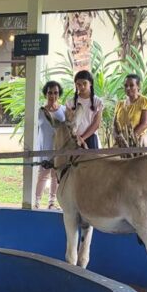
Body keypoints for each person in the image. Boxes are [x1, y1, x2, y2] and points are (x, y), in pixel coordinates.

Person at [35, 81, 65, 210]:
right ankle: (36, 201)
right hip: (44, 148)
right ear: (45, 94)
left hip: (58, 149)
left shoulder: (63, 110)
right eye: (50, 93)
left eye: (56, 93)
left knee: (55, 176)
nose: (53, 96)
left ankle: (52, 202)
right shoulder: (40, 111)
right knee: (42, 175)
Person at [64, 69, 103, 149]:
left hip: (91, 138)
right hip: (73, 139)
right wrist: (76, 138)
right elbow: (68, 123)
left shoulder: (97, 102)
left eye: (84, 83)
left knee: (92, 160)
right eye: (78, 84)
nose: (82, 86)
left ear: (90, 83)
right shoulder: (70, 103)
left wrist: (82, 138)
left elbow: (96, 124)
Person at [113, 73, 147, 148]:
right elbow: (114, 125)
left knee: (142, 143)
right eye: (126, 86)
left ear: (138, 86)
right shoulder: (120, 104)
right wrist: (118, 138)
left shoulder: (145, 101)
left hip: (139, 138)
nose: (128, 88)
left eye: (131, 85)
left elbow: (144, 124)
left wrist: (130, 139)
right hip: (122, 140)